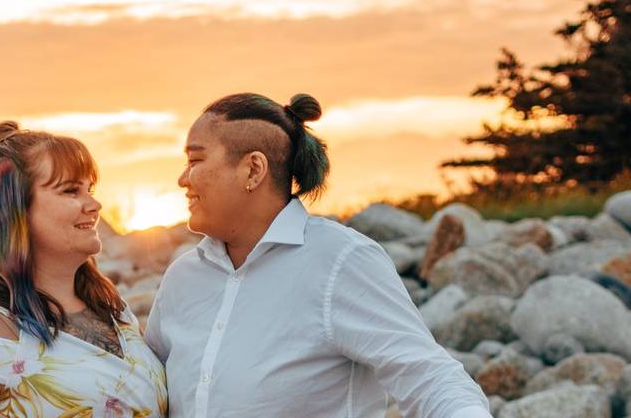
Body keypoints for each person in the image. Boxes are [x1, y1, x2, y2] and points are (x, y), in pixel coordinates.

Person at [145, 93, 492, 417]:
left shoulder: (341, 261)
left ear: (253, 170)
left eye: (195, 159)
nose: (182, 179)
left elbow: (429, 377)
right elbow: (142, 390)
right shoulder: (182, 278)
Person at [0, 122, 167, 417]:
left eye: (90, 189)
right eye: (71, 190)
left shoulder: (115, 310)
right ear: (14, 210)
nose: (94, 204)